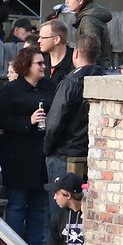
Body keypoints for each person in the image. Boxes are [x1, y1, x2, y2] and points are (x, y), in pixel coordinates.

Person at [0, 46, 56, 245]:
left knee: (39, 205)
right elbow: (2, 119)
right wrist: (27, 122)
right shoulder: (11, 90)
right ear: (26, 66)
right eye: (39, 63)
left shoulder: (49, 87)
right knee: (17, 204)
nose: (43, 66)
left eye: (43, 62)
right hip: (18, 156)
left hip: (41, 155)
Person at [43, 35, 105, 184]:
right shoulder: (105, 80)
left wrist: (47, 149)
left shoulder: (70, 84)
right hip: (95, 154)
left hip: (65, 156)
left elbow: (54, 123)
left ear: (75, 53)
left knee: (60, 204)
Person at [60, 0, 114, 70]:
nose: (66, 1)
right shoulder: (88, 17)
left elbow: (91, 53)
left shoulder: (88, 21)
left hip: (93, 73)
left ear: (80, 0)